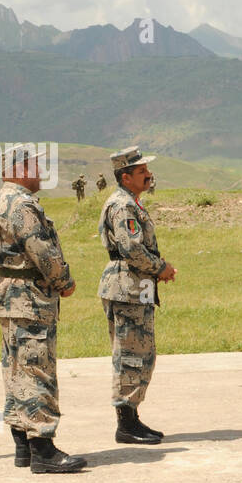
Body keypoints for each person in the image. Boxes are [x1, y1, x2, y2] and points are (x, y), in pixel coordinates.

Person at [0, 144, 86, 473]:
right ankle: (42, 447)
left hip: (10, 295)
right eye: (35, 166)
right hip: (28, 296)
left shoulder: (1, 198)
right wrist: (63, 281)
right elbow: (41, 249)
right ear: (20, 169)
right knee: (36, 369)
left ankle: (22, 443)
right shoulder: (20, 203)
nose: (40, 172)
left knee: (16, 369)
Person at [99, 147, 174, 444]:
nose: (148, 175)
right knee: (130, 356)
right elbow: (131, 249)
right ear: (126, 177)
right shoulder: (122, 205)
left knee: (143, 354)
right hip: (126, 287)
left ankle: (132, 417)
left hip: (137, 287)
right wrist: (161, 268)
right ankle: (125, 423)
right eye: (142, 172)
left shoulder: (132, 202)